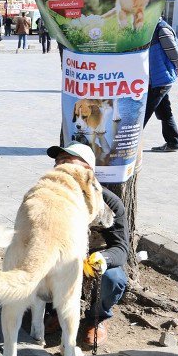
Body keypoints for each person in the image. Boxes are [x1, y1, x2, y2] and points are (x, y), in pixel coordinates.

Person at [45, 142, 129, 345]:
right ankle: (55, 311)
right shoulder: (48, 195)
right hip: (60, 259)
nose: (61, 167)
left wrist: (104, 258)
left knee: (113, 278)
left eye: (68, 162)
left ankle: (97, 318)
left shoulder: (109, 202)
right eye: (59, 162)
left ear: (88, 170)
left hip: (93, 262)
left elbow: (121, 248)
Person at [143, 17, 178, 152]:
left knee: (142, 113)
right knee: (164, 111)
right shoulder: (150, 28)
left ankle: (127, 146)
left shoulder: (161, 29)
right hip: (155, 79)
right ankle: (173, 143)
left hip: (160, 79)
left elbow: (173, 51)